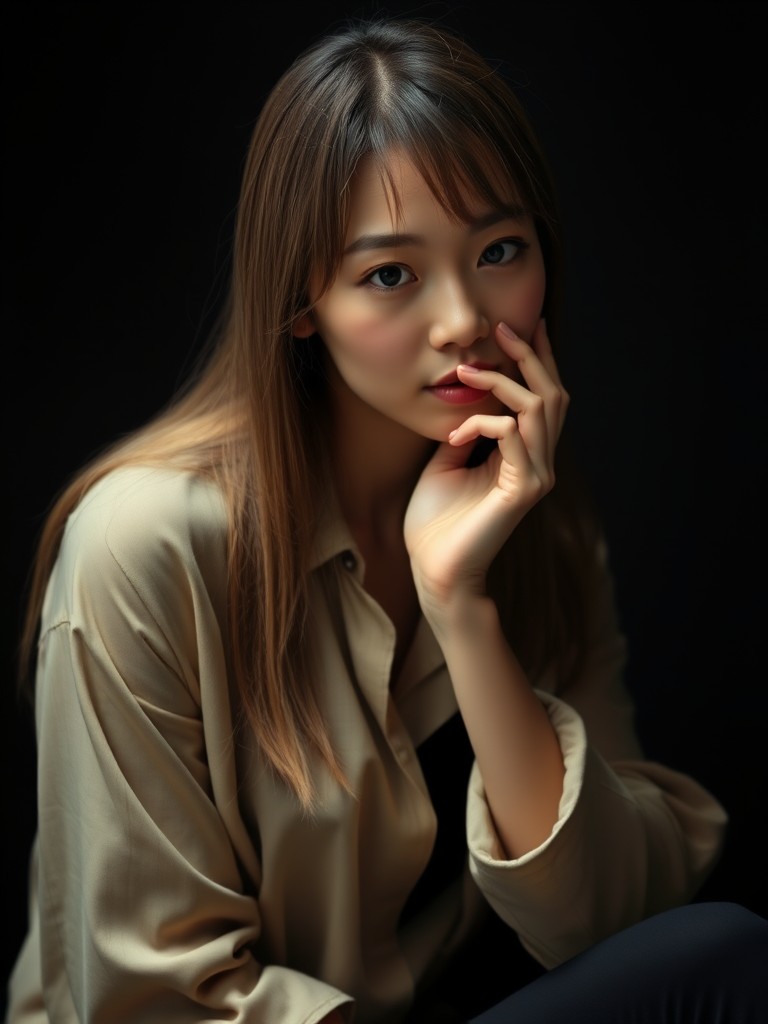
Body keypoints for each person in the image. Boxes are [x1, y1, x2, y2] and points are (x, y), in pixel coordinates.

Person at [6, 14, 767, 1024]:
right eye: (391, 274)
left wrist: (461, 605)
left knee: (721, 955)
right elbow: (146, 998)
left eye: (500, 249)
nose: (460, 317)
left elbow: (617, 920)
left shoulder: (529, 519)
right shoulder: (141, 545)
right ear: (300, 301)